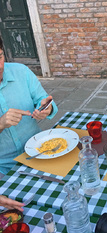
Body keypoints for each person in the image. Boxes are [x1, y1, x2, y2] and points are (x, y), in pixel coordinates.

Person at [0, 36, 58, 175]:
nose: (0, 66)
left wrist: (46, 108)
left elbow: (42, 99)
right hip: (3, 167)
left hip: (39, 150)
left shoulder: (21, 71)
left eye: (0, 56)